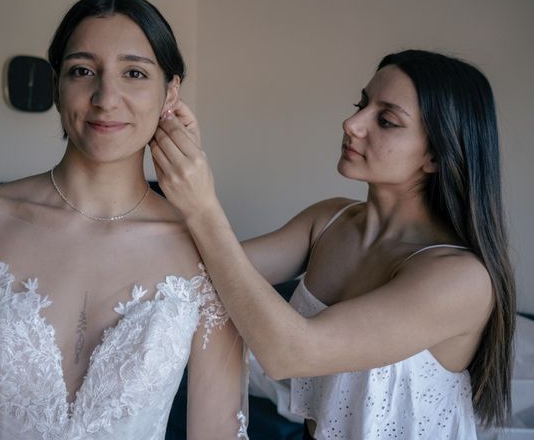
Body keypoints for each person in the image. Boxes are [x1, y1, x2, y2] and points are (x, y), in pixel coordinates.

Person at [0, 0, 248, 439]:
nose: (106, 96)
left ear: (170, 93)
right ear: (56, 83)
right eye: (83, 70)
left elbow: (217, 433)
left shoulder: (203, 247)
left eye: (135, 73)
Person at [150, 50, 515, 439]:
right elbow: (203, 272)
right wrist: (182, 148)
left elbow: (288, 354)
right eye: (362, 104)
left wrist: (205, 206)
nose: (352, 123)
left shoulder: (462, 280)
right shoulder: (329, 220)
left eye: (386, 120)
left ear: (437, 155)